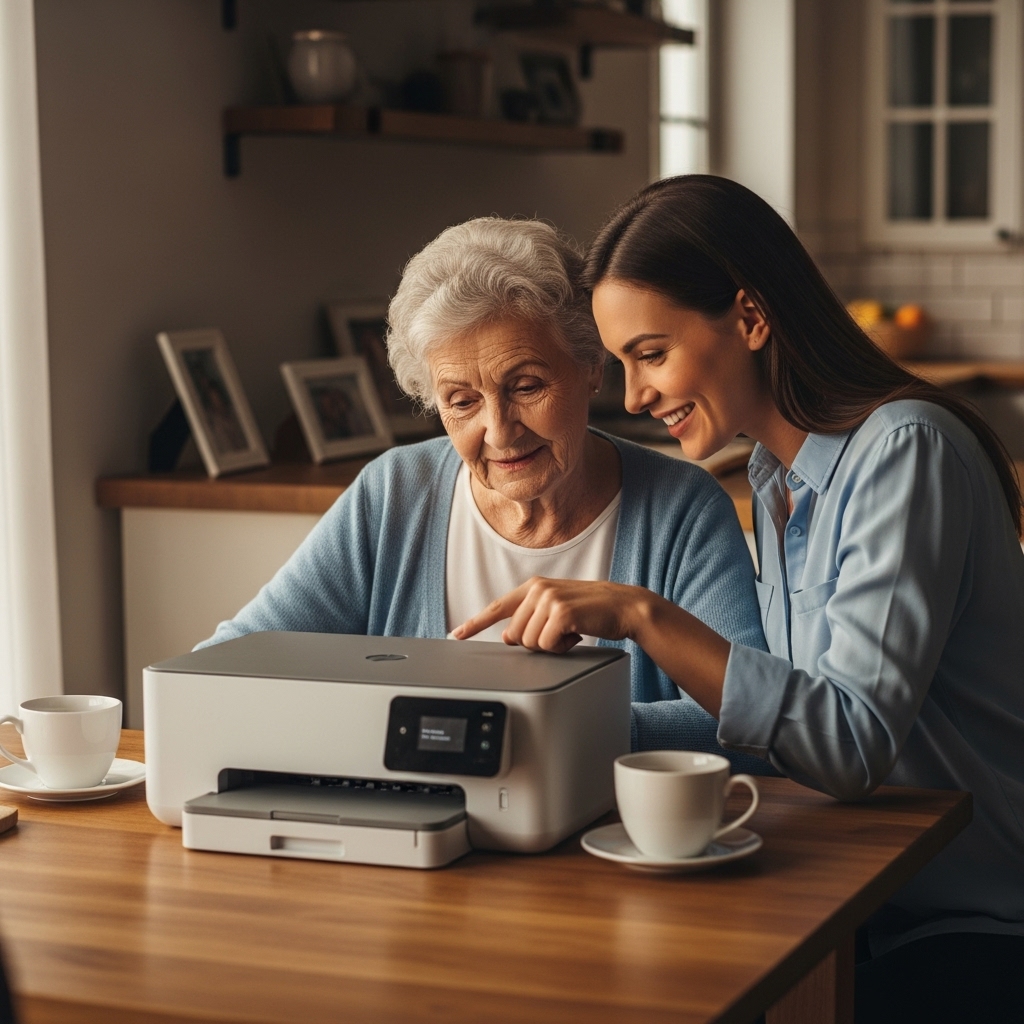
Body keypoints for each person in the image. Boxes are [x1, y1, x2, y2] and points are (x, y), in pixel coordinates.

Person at [453, 177, 1024, 1023]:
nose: (636, 395)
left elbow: (848, 743)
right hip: (871, 904)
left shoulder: (906, 454)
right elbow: (793, 723)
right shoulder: (779, 480)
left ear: (751, 320)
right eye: (621, 365)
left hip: (978, 927)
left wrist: (642, 614)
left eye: (651, 353)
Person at [197, 216, 770, 767]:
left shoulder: (683, 510)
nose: (499, 431)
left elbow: (760, 727)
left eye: (525, 386)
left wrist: (551, 723)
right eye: (462, 401)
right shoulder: (393, 493)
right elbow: (223, 669)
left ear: (593, 366)